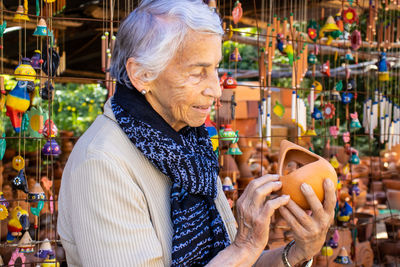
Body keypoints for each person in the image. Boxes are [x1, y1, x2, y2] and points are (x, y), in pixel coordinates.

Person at [57, 0, 336, 266]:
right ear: (142, 75)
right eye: (197, 73)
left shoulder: (191, 148)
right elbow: (238, 256)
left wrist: (298, 252)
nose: (215, 89)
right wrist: (245, 246)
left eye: (214, 69)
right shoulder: (101, 164)